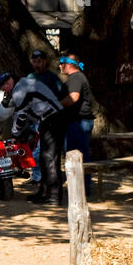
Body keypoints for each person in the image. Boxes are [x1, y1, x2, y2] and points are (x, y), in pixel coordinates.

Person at [0, 71, 65, 204]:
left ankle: (54, 195)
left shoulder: (19, 90)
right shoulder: (25, 85)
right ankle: (44, 192)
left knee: (50, 158)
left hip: (53, 119)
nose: (5, 91)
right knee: (43, 157)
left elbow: (20, 116)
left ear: (10, 82)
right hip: (49, 119)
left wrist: (14, 135)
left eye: (4, 86)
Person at [59, 52, 94, 196]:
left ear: (68, 65)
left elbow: (73, 97)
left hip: (78, 123)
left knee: (77, 156)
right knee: (78, 155)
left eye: (61, 63)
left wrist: (56, 105)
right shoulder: (78, 77)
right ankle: (80, 188)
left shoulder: (76, 77)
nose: (59, 66)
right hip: (77, 122)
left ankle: (81, 189)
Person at [24, 49, 62, 184]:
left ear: (45, 61)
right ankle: (37, 175)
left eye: (39, 61)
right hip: (33, 118)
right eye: (34, 61)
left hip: (48, 119)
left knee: (44, 149)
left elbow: (59, 97)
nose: (37, 64)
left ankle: (44, 177)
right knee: (34, 148)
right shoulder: (30, 77)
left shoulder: (52, 77)